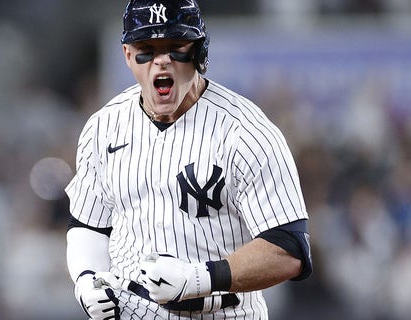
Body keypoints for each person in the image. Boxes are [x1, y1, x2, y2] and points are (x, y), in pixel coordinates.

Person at [65, 0, 312, 319]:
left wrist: (200, 278)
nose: (161, 62)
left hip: (222, 313)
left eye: (175, 46)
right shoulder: (104, 126)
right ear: (128, 55)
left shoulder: (244, 132)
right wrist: (86, 279)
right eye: (147, 48)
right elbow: (88, 224)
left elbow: (289, 248)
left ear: (199, 52)